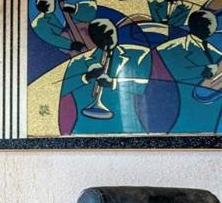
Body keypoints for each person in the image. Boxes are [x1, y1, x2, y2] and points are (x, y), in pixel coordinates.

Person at [61, 18, 151, 135]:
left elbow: (150, 87)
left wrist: (114, 83)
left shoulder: (139, 54)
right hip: (85, 128)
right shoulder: (79, 61)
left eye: (111, 34)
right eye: (103, 36)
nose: (110, 39)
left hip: (129, 128)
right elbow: (61, 90)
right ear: (94, 39)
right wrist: (86, 77)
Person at [155, 7, 222, 135]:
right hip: (179, 103)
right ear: (196, 25)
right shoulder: (170, 48)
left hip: (205, 111)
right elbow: (171, 70)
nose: (214, 27)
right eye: (210, 24)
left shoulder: (214, 51)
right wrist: (205, 70)